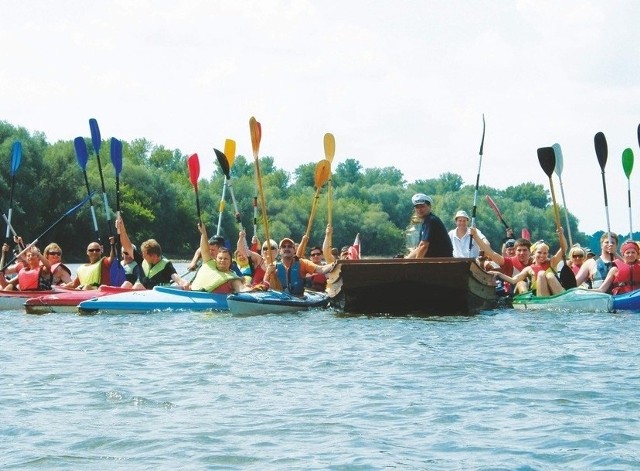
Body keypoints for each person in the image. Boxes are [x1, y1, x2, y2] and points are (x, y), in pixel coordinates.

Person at [116, 215, 188, 289]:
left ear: (154, 256)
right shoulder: (142, 260)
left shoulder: (166, 266)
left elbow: (176, 278)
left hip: (156, 296)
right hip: (141, 294)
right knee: (126, 284)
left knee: (138, 286)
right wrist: (122, 230)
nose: (142, 257)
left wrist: (184, 283)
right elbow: (128, 247)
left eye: (145, 255)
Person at [490, 231, 567, 297]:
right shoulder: (529, 269)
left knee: (549, 275)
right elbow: (513, 280)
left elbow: (563, 249)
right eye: (539, 252)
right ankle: (544, 300)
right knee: (541, 273)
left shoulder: (552, 262)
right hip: (541, 296)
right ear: (533, 253)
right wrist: (498, 274)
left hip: (556, 293)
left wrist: (561, 235)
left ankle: (562, 297)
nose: (542, 255)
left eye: (545, 253)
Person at [187, 223, 252, 293]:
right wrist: (203, 232)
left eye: (226, 259)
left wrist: (247, 287)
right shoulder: (209, 262)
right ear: (217, 259)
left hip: (211, 297)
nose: (222, 260)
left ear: (230, 261)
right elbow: (204, 250)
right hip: (193, 292)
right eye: (220, 258)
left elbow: (241, 287)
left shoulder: (233, 277)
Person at [263, 237, 336, 295]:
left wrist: (336, 263)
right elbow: (264, 284)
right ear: (279, 251)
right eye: (283, 247)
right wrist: (268, 273)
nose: (286, 248)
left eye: (289, 246)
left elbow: (321, 269)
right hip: (279, 299)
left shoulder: (303, 263)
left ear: (294, 250)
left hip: (298, 299)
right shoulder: (273, 265)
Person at [470, 228, 533, 294]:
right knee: (521, 283)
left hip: (532, 292)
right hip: (514, 293)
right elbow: (491, 253)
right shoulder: (509, 262)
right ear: (515, 251)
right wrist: (475, 236)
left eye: (524, 250)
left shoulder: (534, 261)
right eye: (519, 250)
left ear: (529, 251)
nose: (522, 253)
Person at [406, 193, 453, 258]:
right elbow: (419, 248)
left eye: (422, 206)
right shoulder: (426, 222)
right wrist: (406, 259)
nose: (419, 209)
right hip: (435, 262)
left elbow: (423, 246)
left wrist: (415, 264)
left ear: (429, 207)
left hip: (440, 264)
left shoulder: (431, 221)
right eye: (417, 207)